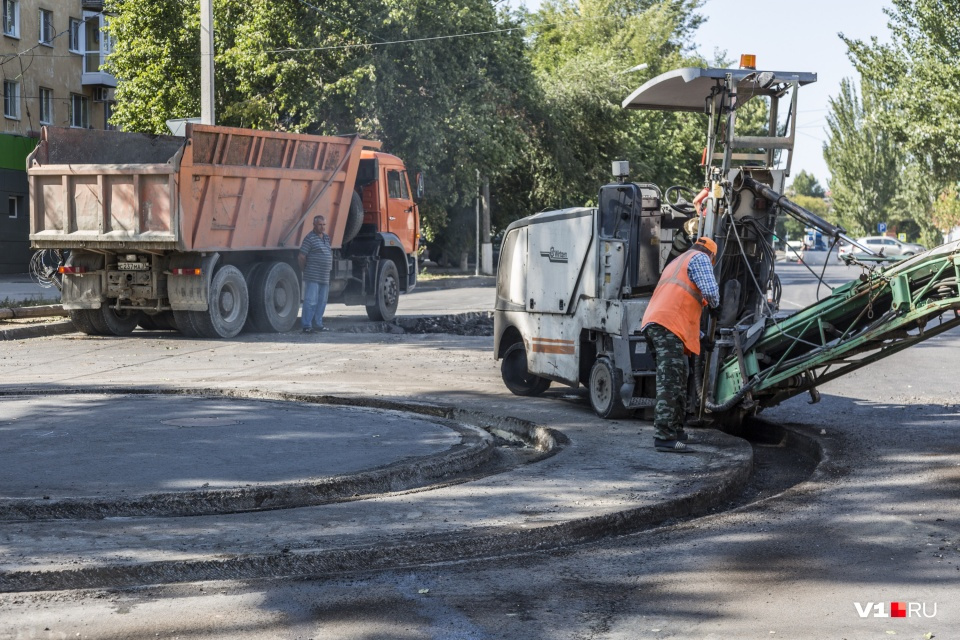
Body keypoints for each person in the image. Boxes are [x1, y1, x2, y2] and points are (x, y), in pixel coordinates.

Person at [640, 236, 720, 453]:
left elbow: (681, 304)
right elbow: (711, 292)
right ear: (712, 255)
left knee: (679, 376)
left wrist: (701, 336)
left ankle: (676, 430)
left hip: (659, 323)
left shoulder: (678, 262)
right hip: (667, 326)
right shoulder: (700, 258)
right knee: (670, 381)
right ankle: (664, 437)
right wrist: (715, 306)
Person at [298, 215, 333, 333]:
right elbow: (302, 256)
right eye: (320, 225)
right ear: (314, 225)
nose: (322, 227)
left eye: (324, 225)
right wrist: (305, 270)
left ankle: (318, 324)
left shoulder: (326, 238)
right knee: (310, 301)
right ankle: (306, 326)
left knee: (322, 301)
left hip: (324, 276)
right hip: (313, 275)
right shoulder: (309, 238)